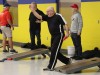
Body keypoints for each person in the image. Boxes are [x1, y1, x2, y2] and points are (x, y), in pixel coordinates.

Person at [29, 6, 70, 71]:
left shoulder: (58, 16)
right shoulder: (47, 17)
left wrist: (67, 33)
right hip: (53, 36)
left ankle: (50, 66)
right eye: (46, 12)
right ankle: (67, 61)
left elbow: (65, 24)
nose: (47, 13)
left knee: (54, 50)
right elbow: (39, 16)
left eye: (48, 11)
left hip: (59, 35)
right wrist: (33, 11)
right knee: (54, 50)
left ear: (52, 11)